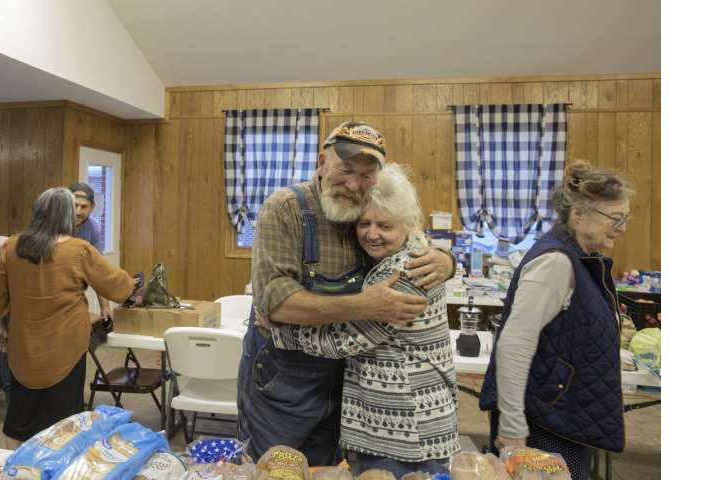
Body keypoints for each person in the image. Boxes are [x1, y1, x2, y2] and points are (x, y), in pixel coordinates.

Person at [237, 121, 456, 466]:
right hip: (283, 382)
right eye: (346, 169)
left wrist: (446, 260)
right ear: (322, 162)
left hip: (345, 382)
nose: (354, 184)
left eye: (366, 176)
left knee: (324, 468)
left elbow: (407, 234)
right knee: (275, 467)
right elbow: (275, 301)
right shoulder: (285, 207)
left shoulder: (365, 208)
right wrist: (364, 305)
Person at [479, 161, 632, 480]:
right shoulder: (556, 263)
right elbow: (514, 345)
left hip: (564, 414)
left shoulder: (577, 258)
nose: (622, 227)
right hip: (545, 423)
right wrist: (512, 427)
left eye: (625, 218)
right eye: (615, 219)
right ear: (577, 215)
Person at [0, 187, 136, 447]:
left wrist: (0, 327)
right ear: (67, 215)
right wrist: (133, 283)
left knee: (21, 414)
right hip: (66, 344)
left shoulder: (11, 246)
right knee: (64, 418)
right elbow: (117, 286)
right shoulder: (79, 250)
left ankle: (19, 469)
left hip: (23, 344)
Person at [69, 182, 112, 320]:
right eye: (74, 205)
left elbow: (98, 271)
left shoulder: (93, 229)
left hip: (76, 290)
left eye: (83, 207)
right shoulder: (52, 224)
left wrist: (105, 307)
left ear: (92, 207)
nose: (78, 211)